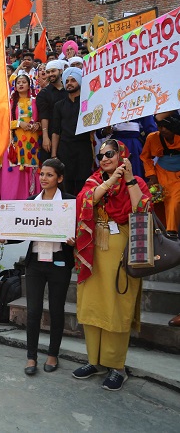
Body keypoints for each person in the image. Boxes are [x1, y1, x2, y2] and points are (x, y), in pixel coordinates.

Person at [74, 139, 151, 391]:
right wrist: (109, 181)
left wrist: (127, 180)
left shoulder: (136, 182)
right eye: (100, 155)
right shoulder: (94, 181)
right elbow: (85, 201)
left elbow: (143, 210)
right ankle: (94, 362)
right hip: (94, 253)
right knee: (94, 306)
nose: (104, 158)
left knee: (117, 307)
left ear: (122, 155)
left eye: (110, 153)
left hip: (123, 253)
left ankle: (117, 367)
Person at [0, 159, 76, 375]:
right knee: (33, 311)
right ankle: (31, 357)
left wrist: (74, 241)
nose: (44, 178)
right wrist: (4, 238)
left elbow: (79, 232)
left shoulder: (70, 202)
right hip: (35, 264)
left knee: (57, 310)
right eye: (41, 174)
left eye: (49, 175)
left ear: (59, 178)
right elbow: (21, 231)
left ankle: (53, 354)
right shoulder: (31, 202)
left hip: (60, 262)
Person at [51, 66, 93, 196]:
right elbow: (56, 131)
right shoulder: (59, 105)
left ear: (80, 82)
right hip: (65, 149)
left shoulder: (87, 103)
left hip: (83, 148)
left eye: (73, 80)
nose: (69, 83)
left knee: (83, 184)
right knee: (66, 184)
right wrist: (54, 155)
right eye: (67, 81)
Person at [1, 74, 42, 200]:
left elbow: (42, 119)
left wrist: (38, 124)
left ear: (29, 85)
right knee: (16, 170)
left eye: (24, 82)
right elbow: (3, 121)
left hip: (33, 142)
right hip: (16, 141)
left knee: (32, 169)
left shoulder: (35, 101)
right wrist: (19, 123)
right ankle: (13, 201)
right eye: (18, 82)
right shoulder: (10, 103)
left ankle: (31, 201)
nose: (21, 84)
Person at [141, 112, 180, 237]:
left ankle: (171, 233)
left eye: (166, 126)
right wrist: (152, 176)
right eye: (159, 126)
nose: (162, 129)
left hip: (177, 176)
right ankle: (157, 233)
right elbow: (145, 157)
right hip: (160, 174)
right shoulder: (153, 138)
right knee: (155, 203)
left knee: (173, 201)